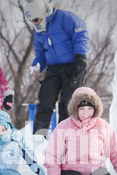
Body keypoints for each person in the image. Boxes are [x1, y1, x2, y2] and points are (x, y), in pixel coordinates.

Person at [25, 0, 89, 137]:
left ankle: (65, 139)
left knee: (67, 103)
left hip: (73, 66)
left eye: (36, 19)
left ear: (43, 13)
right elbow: (40, 53)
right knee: (45, 100)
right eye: (32, 21)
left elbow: (80, 34)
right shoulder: (38, 31)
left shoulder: (65, 18)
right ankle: (39, 138)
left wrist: (80, 57)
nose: (34, 23)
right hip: (53, 68)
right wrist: (37, 65)